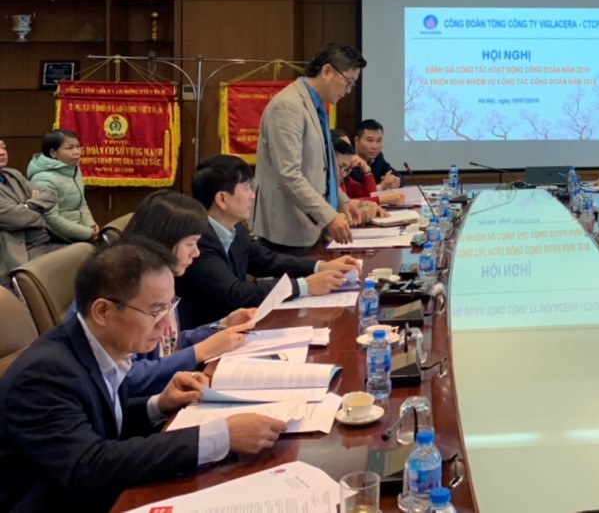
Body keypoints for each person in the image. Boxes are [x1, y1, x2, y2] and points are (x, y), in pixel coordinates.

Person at [0, 238, 286, 512]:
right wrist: (221, 437)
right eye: (155, 311)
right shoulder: (44, 375)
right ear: (102, 311)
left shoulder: (101, 347)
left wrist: (158, 405)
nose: (166, 323)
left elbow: (97, 419)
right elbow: (90, 466)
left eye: (170, 306)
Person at [103, 191, 255, 395]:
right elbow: (124, 377)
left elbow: (168, 343)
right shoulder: (120, 289)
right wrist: (199, 352)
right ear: (164, 241)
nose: (196, 253)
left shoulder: (160, 281)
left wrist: (222, 325)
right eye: (190, 244)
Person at [181, 154, 359, 329]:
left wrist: (320, 267)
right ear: (222, 199)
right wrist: (304, 286)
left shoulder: (234, 228)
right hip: (208, 334)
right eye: (246, 188)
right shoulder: (198, 240)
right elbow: (234, 293)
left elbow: (265, 260)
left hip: (237, 328)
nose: (252, 196)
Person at [251, 43, 368, 253]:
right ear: (327, 71)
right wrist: (329, 216)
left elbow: (321, 169)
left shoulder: (315, 105)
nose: (349, 91)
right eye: (348, 82)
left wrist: (342, 201)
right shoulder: (288, 106)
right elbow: (289, 174)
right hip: (287, 230)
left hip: (309, 225)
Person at [0, 137, 59, 277]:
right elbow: (16, 218)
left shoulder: (12, 174)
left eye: (3, 147)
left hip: (45, 239)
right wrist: (38, 208)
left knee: (85, 253)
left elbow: (50, 195)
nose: (2, 152)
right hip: (19, 249)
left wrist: (26, 206)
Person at [27, 128, 97, 242]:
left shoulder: (73, 169)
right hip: (56, 238)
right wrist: (87, 233)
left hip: (80, 233)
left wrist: (91, 225)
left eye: (78, 146)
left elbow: (81, 204)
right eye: (70, 148)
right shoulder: (43, 180)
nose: (77, 152)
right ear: (53, 153)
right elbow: (51, 219)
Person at [354, 119, 401, 190]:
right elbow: (356, 193)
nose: (375, 146)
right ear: (356, 141)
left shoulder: (378, 157)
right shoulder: (349, 161)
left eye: (379, 141)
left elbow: (397, 176)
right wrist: (381, 186)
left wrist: (394, 180)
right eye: (370, 140)